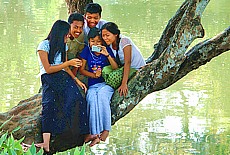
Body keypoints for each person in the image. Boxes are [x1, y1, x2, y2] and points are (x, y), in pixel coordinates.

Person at [35, 20, 88, 153]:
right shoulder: (44, 45)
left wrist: (76, 80)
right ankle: (45, 142)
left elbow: (65, 66)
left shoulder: (63, 46)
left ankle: (81, 135)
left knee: (76, 98)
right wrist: (68, 63)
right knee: (49, 104)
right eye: (66, 35)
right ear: (60, 34)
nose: (67, 37)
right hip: (49, 77)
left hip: (62, 76)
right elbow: (48, 69)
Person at [79, 27, 118, 147]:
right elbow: (81, 70)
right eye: (92, 41)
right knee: (91, 99)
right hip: (93, 84)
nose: (95, 44)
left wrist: (107, 55)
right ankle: (94, 134)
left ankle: (106, 130)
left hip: (107, 83)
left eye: (98, 41)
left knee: (102, 97)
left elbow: (116, 68)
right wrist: (93, 75)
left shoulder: (106, 50)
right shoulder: (87, 51)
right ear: (89, 41)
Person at [101, 22, 146, 97]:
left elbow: (127, 62)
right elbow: (115, 65)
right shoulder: (110, 45)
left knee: (112, 78)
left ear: (115, 34)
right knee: (105, 70)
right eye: (103, 36)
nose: (105, 38)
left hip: (135, 68)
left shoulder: (125, 41)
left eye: (107, 35)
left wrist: (124, 84)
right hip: (122, 67)